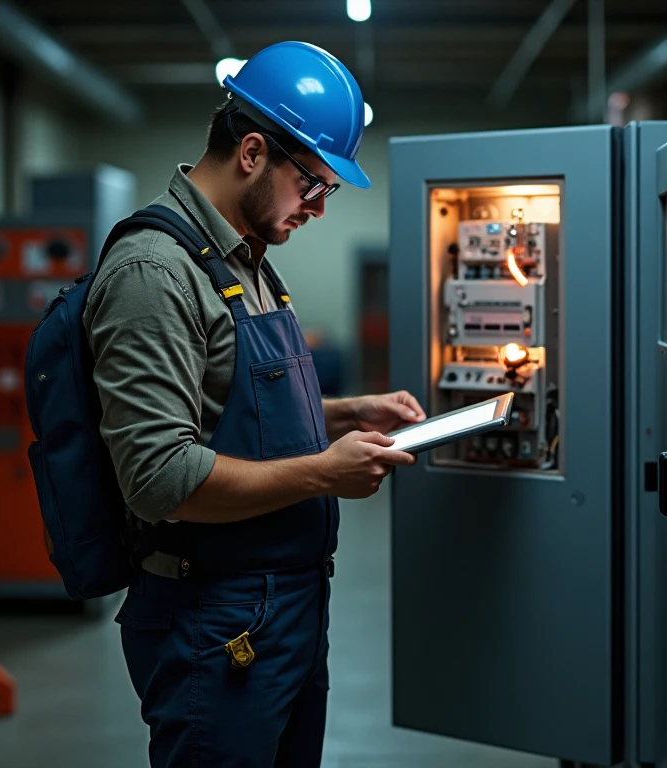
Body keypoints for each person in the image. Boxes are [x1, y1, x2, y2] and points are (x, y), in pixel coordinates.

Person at [82, 41, 424, 767]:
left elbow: (235, 407)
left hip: (283, 605)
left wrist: (345, 413)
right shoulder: (155, 273)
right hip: (215, 617)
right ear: (252, 152)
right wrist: (325, 472)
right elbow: (160, 478)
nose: (318, 209)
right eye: (313, 185)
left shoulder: (245, 259)